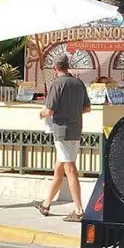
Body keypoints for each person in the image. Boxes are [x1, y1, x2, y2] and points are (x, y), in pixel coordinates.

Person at [34, 55, 91, 221]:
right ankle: (46, 204)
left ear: (55, 68)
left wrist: (41, 113)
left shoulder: (57, 84)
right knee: (59, 168)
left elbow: (49, 110)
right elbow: (86, 108)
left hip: (61, 131)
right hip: (76, 129)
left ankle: (79, 210)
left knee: (70, 169)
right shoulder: (78, 83)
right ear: (68, 66)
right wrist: (72, 111)